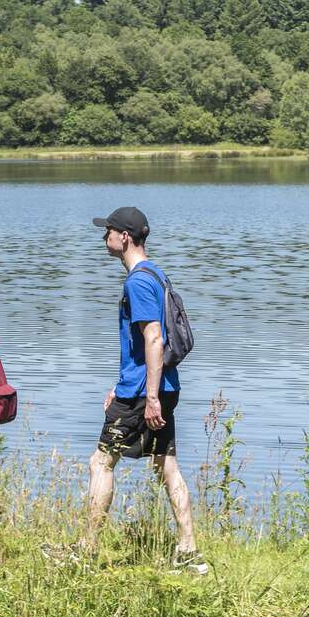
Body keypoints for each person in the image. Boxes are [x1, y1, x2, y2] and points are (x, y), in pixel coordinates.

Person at [87, 207, 207, 575]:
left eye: (108, 231)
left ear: (124, 237)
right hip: (158, 385)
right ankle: (189, 553)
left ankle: (86, 550)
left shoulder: (137, 281)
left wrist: (148, 396)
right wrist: (119, 385)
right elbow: (143, 347)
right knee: (166, 465)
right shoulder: (157, 273)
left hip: (144, 392)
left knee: (101, 461)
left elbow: (154, 337)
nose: (103, 237)